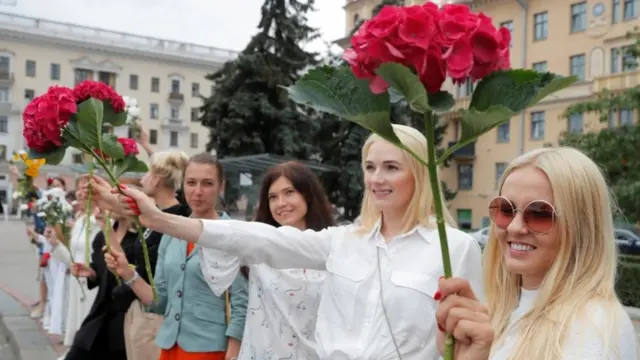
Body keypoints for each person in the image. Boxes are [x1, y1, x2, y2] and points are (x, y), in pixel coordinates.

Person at [104, 124, 484, 360]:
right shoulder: (343, 242)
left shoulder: (454, 249)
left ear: (419, 173)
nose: (376, 179)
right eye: (370, 167)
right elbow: (258, 238)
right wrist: (159, 218)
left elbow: (474, 341)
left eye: (391, 167)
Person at [434, 147, 640, 360]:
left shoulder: (597, 328)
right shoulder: (493, 310)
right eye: (505, 209)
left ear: (582, 227)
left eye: (539, 214)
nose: (514, 227)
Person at [105, 153, 249, 360]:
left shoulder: (231, 235)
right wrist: (129, 274)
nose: (197, 192)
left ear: (221, 187)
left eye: (207, 183)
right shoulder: (171, 235)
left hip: (211, 350)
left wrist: (233, 354)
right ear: (183, 184)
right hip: (170, 347)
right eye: (191, 183)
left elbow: (241, 304)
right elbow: (160, 302)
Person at [202, 161, 334, 359]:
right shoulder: (257, 247)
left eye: (289, 192)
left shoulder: (333, 246)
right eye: (273, 197)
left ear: (307, 195)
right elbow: (219, 237)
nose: (281, 203)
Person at [82, 150, 192, 360]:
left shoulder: (172, 218)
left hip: (155, 314)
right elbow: (127, 206)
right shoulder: (156, 216)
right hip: (142, 307)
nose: (142, 179)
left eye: (148, 172)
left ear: (157, 179)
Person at [65, 206, 138, 360]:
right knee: (78, 350)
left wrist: (106, 228)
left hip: (124, 312)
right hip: (101, 309)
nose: (109, 206)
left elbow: (125, 270)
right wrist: (91, 273)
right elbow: (100, 269)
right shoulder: (101, 237)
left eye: (115, 202)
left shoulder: (138, 239)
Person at [47, 177, 102, 359]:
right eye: (78, 189)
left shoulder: (101, 223)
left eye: (84, 189)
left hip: (92, 285)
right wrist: (55, 244)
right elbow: (71, 259)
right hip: (76, 284)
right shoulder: (80, 221)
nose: (79, 193)